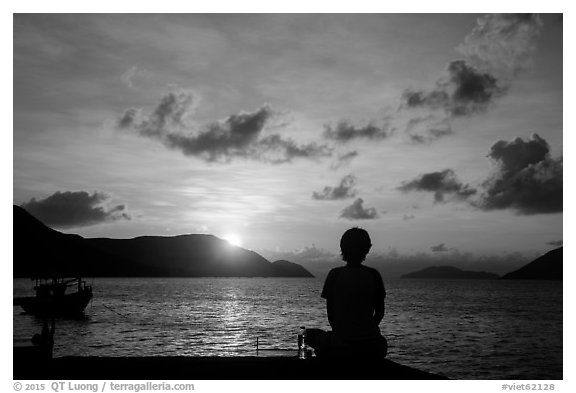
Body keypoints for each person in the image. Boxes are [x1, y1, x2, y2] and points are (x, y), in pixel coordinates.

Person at [307, 227, 388, 359]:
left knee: (307, 334)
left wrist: (345, 334)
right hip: (371, 346)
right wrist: (364, 332)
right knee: (381, 343)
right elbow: (379, 313)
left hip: (340, 343)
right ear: (367, 249)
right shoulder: (374, 275)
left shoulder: (334, 274)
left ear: (342, 248)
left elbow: (331, 316)